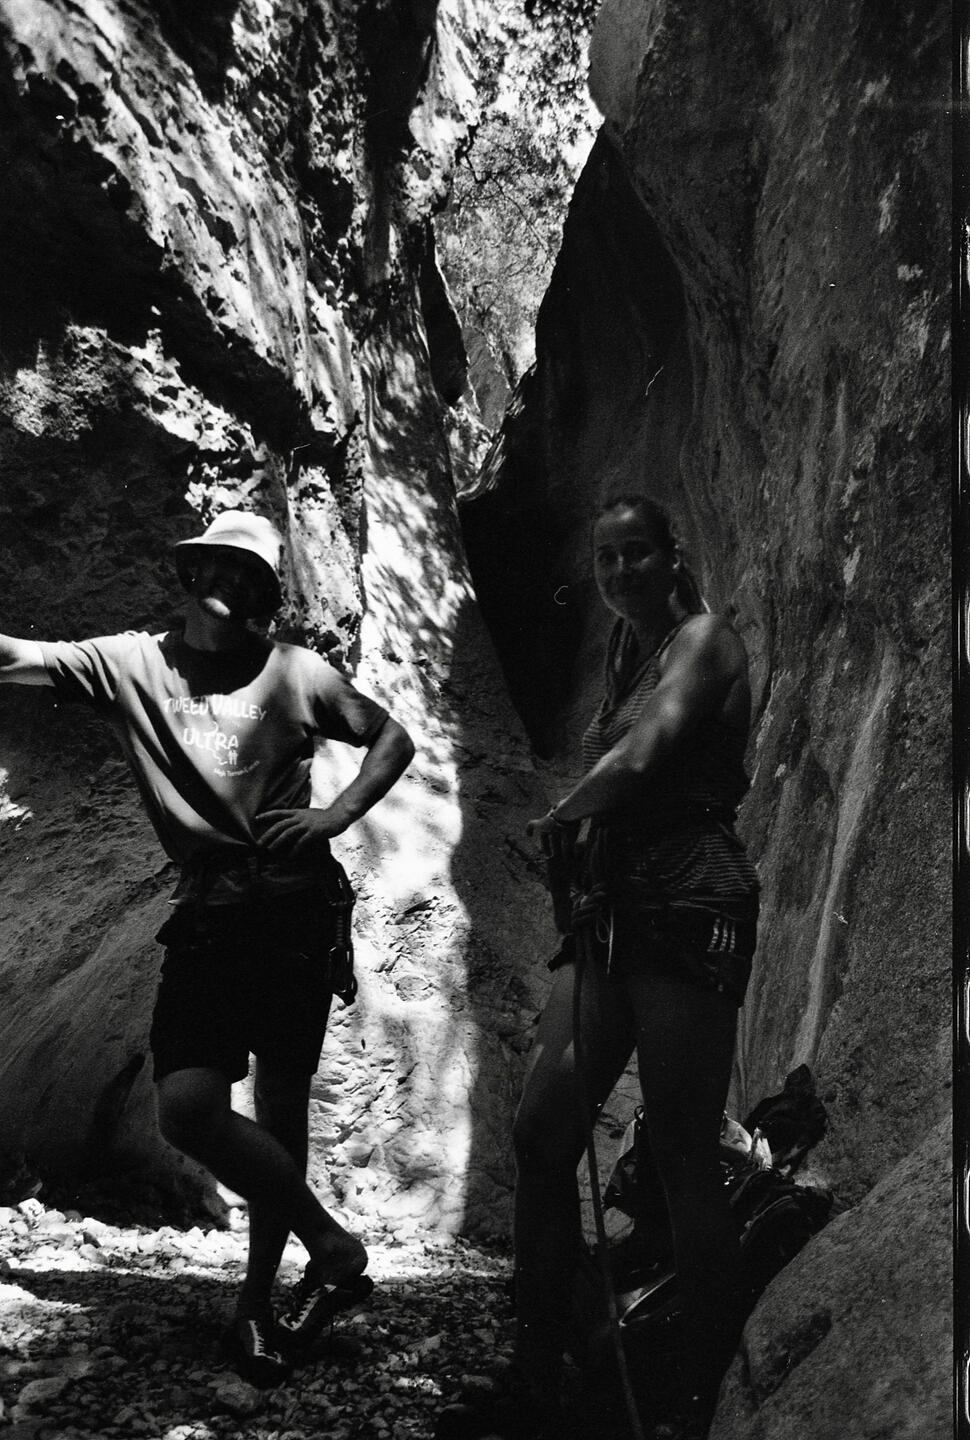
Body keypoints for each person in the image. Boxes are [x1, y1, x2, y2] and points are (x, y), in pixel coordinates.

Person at [0, 508, 415, 1386]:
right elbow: (18, 658)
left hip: (295, 913)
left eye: (250, 573)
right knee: (187, 1109)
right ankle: (332, 1247)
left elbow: (391, 736)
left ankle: (257, 1307)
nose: (230, 582)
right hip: (209, 915)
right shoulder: (132, 663)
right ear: (189, 576)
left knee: (283, 1111)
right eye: (216, 566)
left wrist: (337, 815)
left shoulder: (296, 672)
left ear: (265, 591)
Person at [438, 495, 759, 1440]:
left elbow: (648, 754)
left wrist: (561, 813)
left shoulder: (705, 640)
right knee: (543, 1133)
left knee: (683, 1154)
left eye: (636, 554)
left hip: (687, 899)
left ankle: (700, 1401)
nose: (619, 572)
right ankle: (537, 1372)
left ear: (672, 556)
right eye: (606, 558)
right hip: (609, 907)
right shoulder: (627, 650)